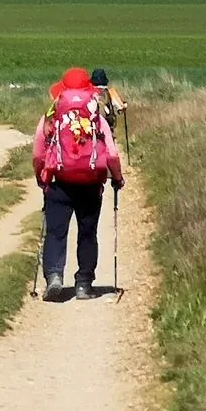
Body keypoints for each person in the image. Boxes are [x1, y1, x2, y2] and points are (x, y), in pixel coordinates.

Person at [32, 67, 124, 301]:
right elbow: (111, 155)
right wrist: (118, 178)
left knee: (55, 233)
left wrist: (41, 177)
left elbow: (38, 152)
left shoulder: (52, 116)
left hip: (59, 182)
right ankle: (83, 284)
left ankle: (54, 277)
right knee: (87, 233)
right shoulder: (97, 117)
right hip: (90, 184)